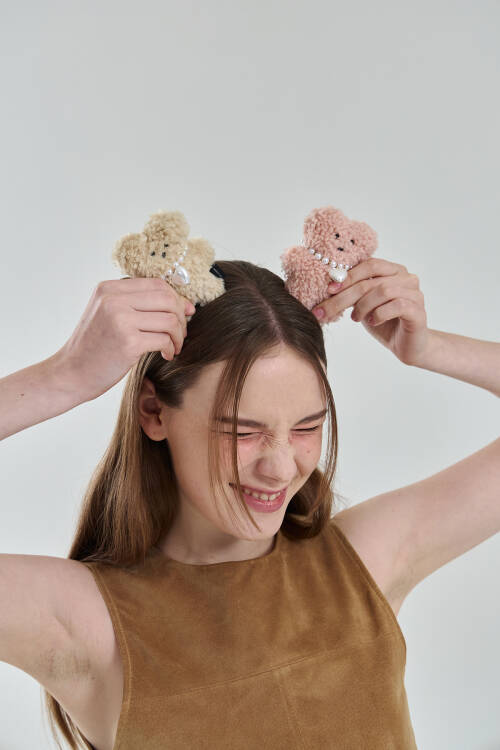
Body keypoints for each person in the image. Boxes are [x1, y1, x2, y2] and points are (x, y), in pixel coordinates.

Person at [0, 259, 498, 750]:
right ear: (154, 411)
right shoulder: (88, 622)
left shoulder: (363, 563)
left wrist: (430, 348)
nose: (280, 468)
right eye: (243, 432)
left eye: (307, 427)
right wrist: (63, 377)